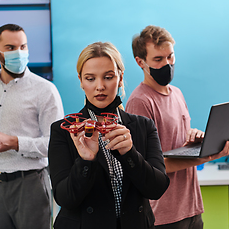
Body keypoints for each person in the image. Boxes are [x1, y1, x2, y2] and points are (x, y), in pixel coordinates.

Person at [48, 42, 170, 229]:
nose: (100, 86)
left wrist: (130, 153)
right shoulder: (64, 130)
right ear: (81, 81)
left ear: (120, 78)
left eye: (108, 77)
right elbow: (65, 199)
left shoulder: (143, 126)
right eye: (90, 78)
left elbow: (157, 189)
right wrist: (86, 161)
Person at [125, 25, 229, 229]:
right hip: (163, 216)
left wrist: (194, 140)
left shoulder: (177, 93)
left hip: (192, 208)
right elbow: (148, 168)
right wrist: (205, 157)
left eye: (170, 56)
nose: (167, 64)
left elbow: (175, 143)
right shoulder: (140, 102)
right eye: (158, 59)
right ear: (140, 62)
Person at [0, 23, 64, 229]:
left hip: (30, 185)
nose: (19, 53)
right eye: (11, 48)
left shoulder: (45, 90)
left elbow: (56, 145)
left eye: (23, 47)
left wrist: (15, 143)